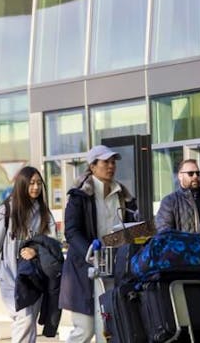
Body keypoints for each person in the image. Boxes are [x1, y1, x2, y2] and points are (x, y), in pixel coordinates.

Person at [60, 145, 139, 343]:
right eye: (106, 162)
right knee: (85, 330)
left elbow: (132, 227)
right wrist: (89, 249)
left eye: (113, 162)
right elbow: (71, 231)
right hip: (84, 269)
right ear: (93, 166)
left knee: (108, 329)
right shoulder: (80, 195)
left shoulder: (124, 195)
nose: (111, 166)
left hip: (114, 268)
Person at [0, 166, 57, 343]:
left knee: (29, 321)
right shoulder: (7, 211)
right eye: (31, 183)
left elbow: (53, 243)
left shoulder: (44, 213)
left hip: (35, 277)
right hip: (10, 276)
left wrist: (36, 250)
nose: (36, 187)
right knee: (23, 319)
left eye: (39, 183)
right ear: (22, 184)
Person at [154, 159, 200, 232]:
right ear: (180, 176)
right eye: (190, 173)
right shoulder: (170, 202)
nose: (195, 176)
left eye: (198, 173)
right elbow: (164, 231)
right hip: (184, 243)